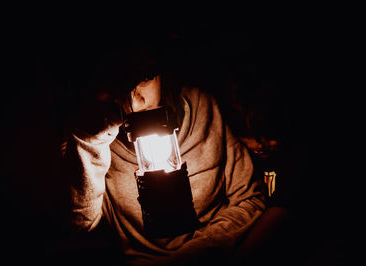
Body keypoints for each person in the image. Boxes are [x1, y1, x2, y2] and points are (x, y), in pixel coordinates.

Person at [57, 36, 266, 265]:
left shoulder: (202, 107)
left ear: (161, 74)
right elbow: (80, 223)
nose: (136, 100)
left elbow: (251, 198)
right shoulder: (93, 139)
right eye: (121, 83)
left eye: (144, 79)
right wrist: (90, 139)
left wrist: (199, 252)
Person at [218, 72, 308, 265]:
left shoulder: (294, 157)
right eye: (249, 136)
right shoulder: (235, 152)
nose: (260, 145)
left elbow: (281, 208)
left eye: (269, 136)